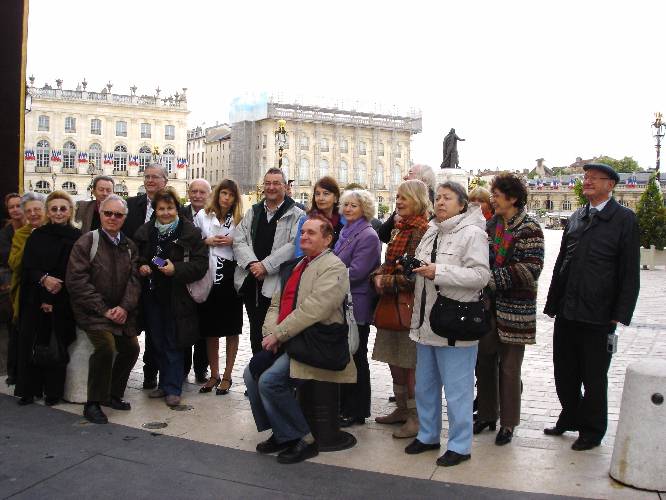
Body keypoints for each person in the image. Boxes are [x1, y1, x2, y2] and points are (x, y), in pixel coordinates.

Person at [243, 216, 356, 464]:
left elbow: (315, 310)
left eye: (311, 233)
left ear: (327, 239)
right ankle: (281, 431)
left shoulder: (333, 267)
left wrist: (279, 335)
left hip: (313, 342)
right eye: (302, 232)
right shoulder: (295, 265)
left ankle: (304, 439)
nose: (304, 236)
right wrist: (270, 334)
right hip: (287, 338)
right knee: (251, 374)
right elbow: (275, 303)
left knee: (270, 382)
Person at [543, 163, 639, 451]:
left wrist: (619, 315)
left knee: (594, 376)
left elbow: (629, 271)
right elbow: (561, 263)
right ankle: (570, 415)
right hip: (568, 309)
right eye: (586, 178)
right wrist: (552, 303)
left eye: (595, 178)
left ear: (611, 185)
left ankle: (593, 429)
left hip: (599, 314)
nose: (588, 182)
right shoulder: (576, 217)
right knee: (565, 370)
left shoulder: (624, 219)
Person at [404, 182, 490, 466]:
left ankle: (460, 444)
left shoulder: (473, 233)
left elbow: (480, 276)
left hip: (455, 323)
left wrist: (438, 272)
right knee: (425, 387)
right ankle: (428, 435)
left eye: (447, 198)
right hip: (425, 322)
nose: (440, 202)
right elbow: (424, 267)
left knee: (458, 389)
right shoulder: (431, 230)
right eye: (438, 197)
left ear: (462, 204)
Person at [475, 173, 544, 446]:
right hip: (488, 307)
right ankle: (487, 414)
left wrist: (489, 278)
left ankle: (508, 423)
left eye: (497, 194)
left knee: (510, 368)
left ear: (513, 198)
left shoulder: (530, 228)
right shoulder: (490, 226)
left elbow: (531, 268)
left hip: (516, 310)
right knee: (484, 362)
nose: (492, 199)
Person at [66, 195, 141, 424]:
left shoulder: (129, 245)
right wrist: (104, 309)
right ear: (101, 214)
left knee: (131, 348)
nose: (112, 218)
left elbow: (135, 280)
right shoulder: (88, 242)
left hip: (120, 313)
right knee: (106, 347)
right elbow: (76, 281)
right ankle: (93, 402)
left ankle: (113, 394)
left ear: (124, 218)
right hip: (93, 313)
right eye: (108, 213)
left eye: (118, 215)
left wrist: (124, 307)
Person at [133, 187, 208, 407]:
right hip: (153, 294)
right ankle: (164, 384)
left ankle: (174, 387)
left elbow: (200, 264)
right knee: (157, 341)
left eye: (170, 208)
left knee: (174, 342)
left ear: (177, 209)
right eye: (161, 209)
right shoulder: (147, 232)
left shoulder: (189, 232)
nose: (165, 213)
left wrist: (176, 269)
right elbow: (137, 257)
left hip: (178, 296)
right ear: (155, 210)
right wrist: (143, 266)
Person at [371, 179, 431, 438]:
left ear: (417, 200)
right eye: (397, 197)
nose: (398, 201)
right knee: (394, 361)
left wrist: (384, 280)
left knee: (409, 364)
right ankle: (401, 410)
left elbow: (415, 274)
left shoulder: (421, 231)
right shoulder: (398, 229)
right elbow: (391, 262)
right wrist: (379, 273)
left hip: (409, 307)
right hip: (390, 305)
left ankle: (415, 418)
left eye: (404, 197)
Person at [15, 191, 81, 406]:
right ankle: (29, 389)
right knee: (32, 342)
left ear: (70, 211)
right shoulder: (38, 235)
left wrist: (54, 294)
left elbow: (76, 269)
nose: (59, 213)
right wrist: (44, 281)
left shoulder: (78, 237)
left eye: (63, 208)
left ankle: (53, 391)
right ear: (48, 212)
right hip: (35, 296)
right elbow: (29, 266)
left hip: (63, 298)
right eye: (54, 209)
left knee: (57, 345)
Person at [233, 168, 304, 354]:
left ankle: (271, 379)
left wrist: (266, 266)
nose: (271, 187)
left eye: (276, 183)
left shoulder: (297, 214)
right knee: (256, 334)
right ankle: (257, 378)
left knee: (274, 334)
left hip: (278, 285)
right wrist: (252, 264)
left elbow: (293, 245)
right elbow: (239, 239)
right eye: (268, 183)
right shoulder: (254, 212)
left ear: (285, 186)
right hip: (252, 282)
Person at [333, 189, 382, 428]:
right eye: (346, 205)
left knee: (357, 355)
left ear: (365, 209)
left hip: (357, 302)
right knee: (346, 353)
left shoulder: (368, 235)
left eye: (354, 205)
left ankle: (357, 409)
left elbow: (358, 271)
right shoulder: (346, 231)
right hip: (342, 299)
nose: (348, 209)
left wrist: (328, 278)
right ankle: (345, 405)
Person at [122, 163, 172, 390]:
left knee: (156, 329)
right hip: (131, 275)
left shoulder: (171, 209)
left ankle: (151, 373)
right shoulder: (131, 205)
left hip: (158, 277)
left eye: (155, 177)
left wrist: (155, 264)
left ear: (165, 181)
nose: (150, 181)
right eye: (147, 177)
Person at [194, 180, 244, 395]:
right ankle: (213, 373)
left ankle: (227, 375)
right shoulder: (203, 216)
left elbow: (246, 243)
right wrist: (208, 241)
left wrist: (233, 241)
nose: (226, 198)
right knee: (211, 329)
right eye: (223, 193)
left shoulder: (241, 219)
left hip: (231, 277)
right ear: (217, 194)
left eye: (231, 195)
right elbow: (192, 241)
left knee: (232, 328)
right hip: (209, 276)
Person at [182, 178, 212, 384]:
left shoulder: (213, 215)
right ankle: (182, 369)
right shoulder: (179, 214)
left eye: (202, 192)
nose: (198, 195)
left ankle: (201, 368)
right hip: (182, 276)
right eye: (194, 191)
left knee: (204, 325)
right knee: (183, 325)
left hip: (205, 277)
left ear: (209, 195)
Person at [378, 164, 435, 244]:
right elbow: (383, 234)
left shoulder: (435, 205)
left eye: (410, 173)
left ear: (423, 179)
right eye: (397, 197)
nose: (405, 177)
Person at [1, 193, 24, 385]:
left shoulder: (32, 229)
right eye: (12, 207)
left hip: (30, 282)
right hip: (11, 284)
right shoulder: (6, 233)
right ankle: (13, 372)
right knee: (14, 328)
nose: (16, 210)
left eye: (19, 205)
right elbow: (8, 259)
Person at [294, 176, 344, 258]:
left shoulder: (345, 221)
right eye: (317, 194)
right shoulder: (306, 220)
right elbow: (300, 252)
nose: (320, 198)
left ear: (335, 198)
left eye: (326, 194)